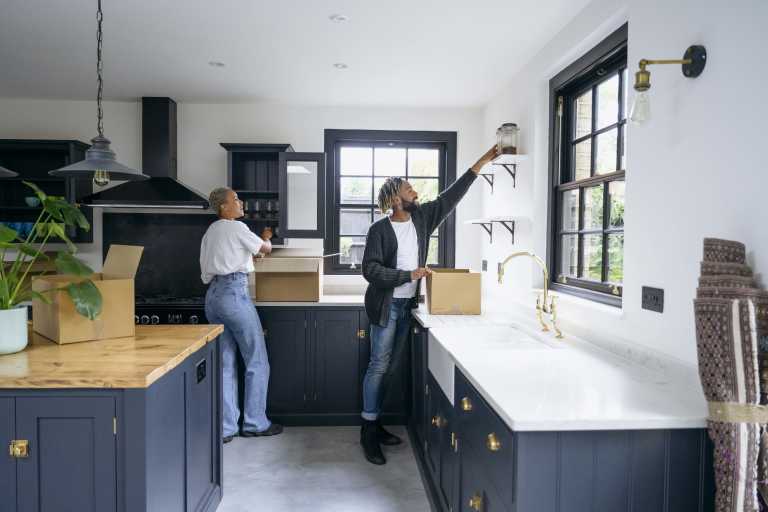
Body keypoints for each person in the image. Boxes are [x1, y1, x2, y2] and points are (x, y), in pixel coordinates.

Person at [359, 146, 500, 465]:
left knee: (391, 368)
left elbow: (452, 196)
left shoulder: (421, 218)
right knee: (378, 366)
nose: (415, 191)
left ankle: (376, 422)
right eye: (409, 188)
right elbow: (370, 270)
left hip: (408, 306)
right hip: (385, 307)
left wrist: (482, 160)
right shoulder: (378, 230)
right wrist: (408, 274)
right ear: (396, 199)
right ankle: (368, 429)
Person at [200, 187, 283, 443]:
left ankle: (227, 428)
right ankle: (255, 422)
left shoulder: (211, 232)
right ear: (224, 207)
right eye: (235, 199)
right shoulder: (236, 227)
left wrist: (249, 255)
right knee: (257, 360)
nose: (240, 202)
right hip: (234, 294)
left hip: (213, 297)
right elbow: (265, 249)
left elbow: (221, 262)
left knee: (225, 364)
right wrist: (267, 237)